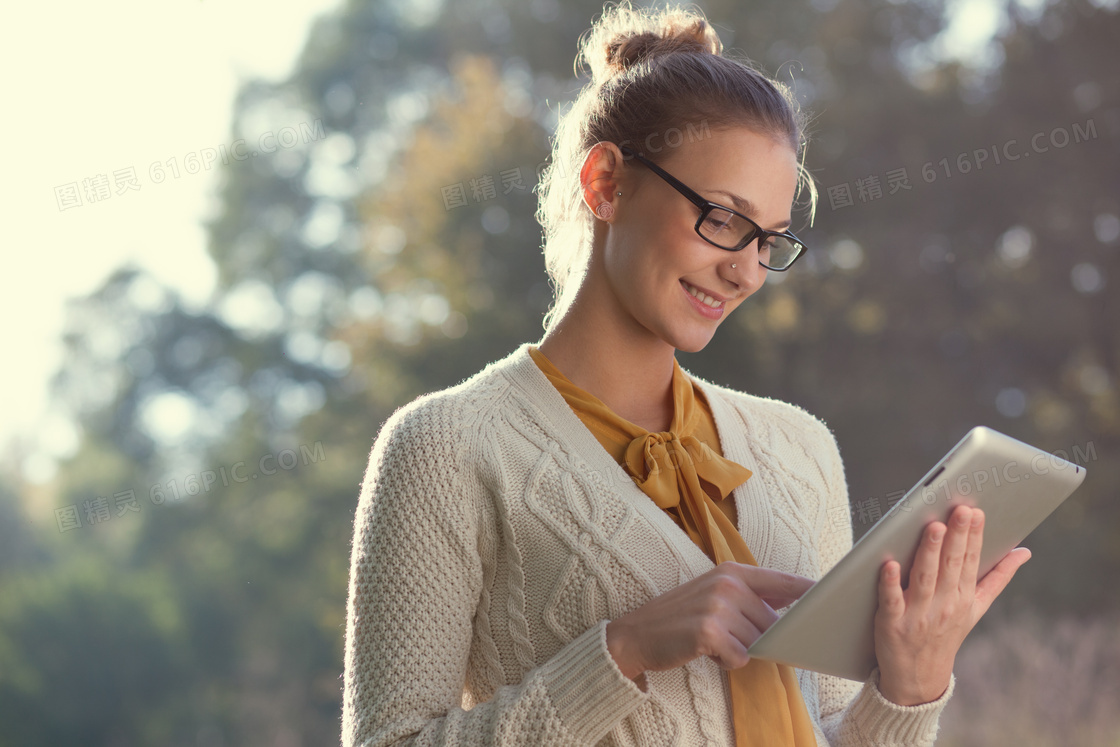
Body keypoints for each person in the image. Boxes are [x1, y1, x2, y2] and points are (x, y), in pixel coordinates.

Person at [341, 2, 1032, 745]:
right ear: (605, 182)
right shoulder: (444, 447)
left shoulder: (800, 449)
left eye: (768, 240)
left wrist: (910, 685)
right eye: (724, 219)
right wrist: (623, 650)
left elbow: (829, 727)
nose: (744, 271)